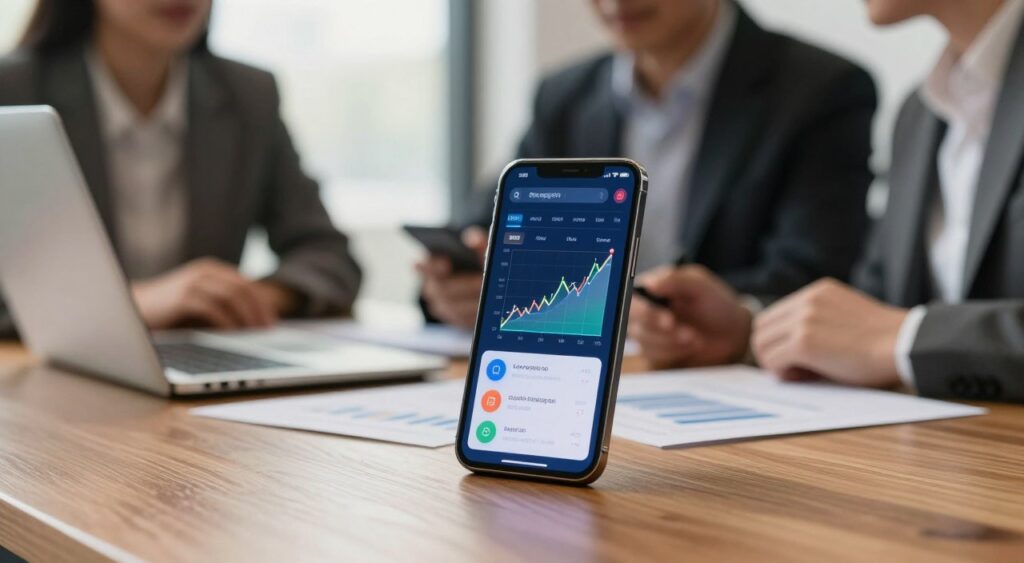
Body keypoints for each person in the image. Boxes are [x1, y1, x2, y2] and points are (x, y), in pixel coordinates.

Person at [637, 0, 1024, 402]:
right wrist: (750, 331)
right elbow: (872, 316)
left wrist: (907, 337)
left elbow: (891, 332)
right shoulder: (922, 114)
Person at [417, 0, 877, 334]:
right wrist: (459, 282)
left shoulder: (820, 90)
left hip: (733, 387)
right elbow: (478, 227)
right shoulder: (565, 96)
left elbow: (811, 276)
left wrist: (626, 310)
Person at [0, 0, 361, 336]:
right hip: (57, 371)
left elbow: (328, 255)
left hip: (205, 359)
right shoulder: (15, 90)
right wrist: (131, 305)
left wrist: (251, 298)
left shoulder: (248, 95)